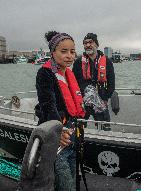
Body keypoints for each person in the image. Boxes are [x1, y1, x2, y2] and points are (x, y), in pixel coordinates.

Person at [36, 31, 85, 191]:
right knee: (64, 185)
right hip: (56, 139)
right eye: (63, 51)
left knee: (73, 178)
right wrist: (58, 131)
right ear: (52, 53)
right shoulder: (45, 74)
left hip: (72, 137)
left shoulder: (69, 73)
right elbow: (47, 105)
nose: (69, 56)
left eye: (72, 51)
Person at [72, 33, 115, 130]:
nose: (87, 45)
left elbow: (112, 83)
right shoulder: (78, 62)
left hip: (100, 101)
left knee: (105, 129)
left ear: (96, 44)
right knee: (78, 129)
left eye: (90, 42)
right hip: (82, 102)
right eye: (85, 43)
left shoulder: (107, 62)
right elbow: (73, 82)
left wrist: (105, 98)